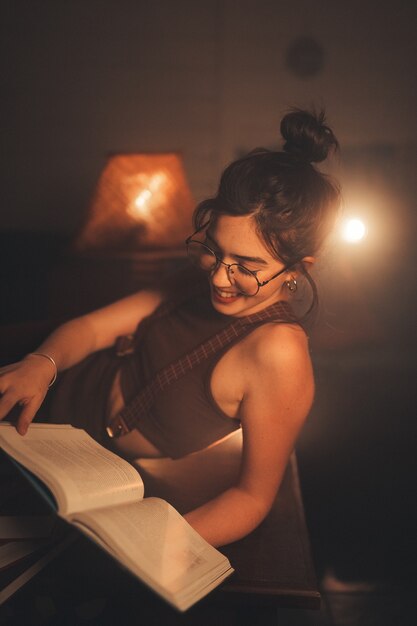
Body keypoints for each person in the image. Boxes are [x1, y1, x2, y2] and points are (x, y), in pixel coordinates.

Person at [0, 109, 340, 547]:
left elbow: (252, 498)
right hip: (47, 398)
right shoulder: (199, 278)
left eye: (247, 267)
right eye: (215, 252)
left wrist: (155, 545)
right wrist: (41, 363)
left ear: (297, 268)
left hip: (84, 469)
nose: (218, 277)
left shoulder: (280, 355)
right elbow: (88, 329)